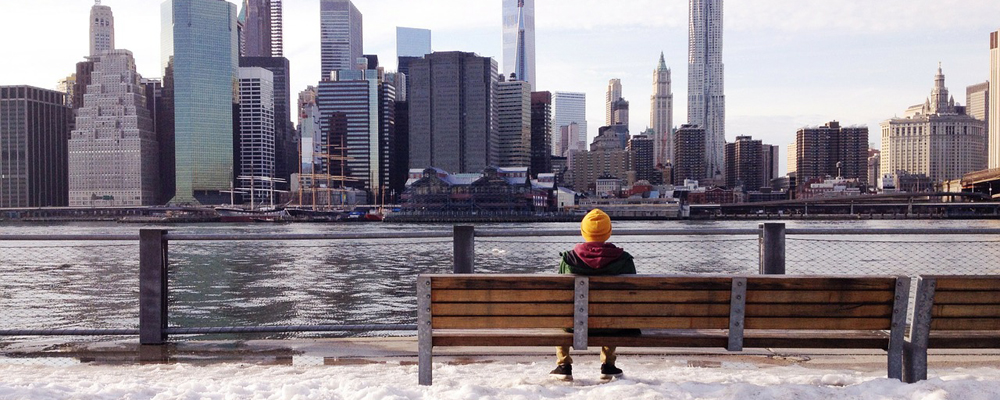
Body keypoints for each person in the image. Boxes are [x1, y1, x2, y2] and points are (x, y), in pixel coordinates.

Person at [550, 208, 636, 381]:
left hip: (573, 324)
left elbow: (559, 295)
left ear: (583, 232)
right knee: (614, 311)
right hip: (611, 325)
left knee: (562, 314)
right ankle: (608, 365)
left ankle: (563, 365)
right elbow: (631, 296)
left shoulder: (568, 259)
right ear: (609, 232)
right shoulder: (624, 259)